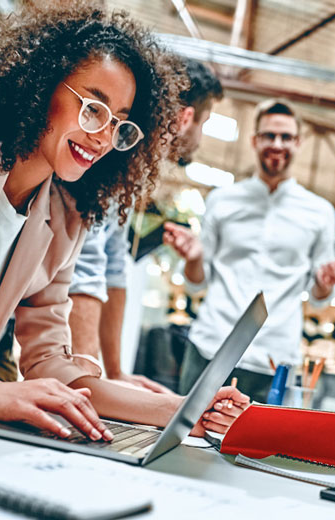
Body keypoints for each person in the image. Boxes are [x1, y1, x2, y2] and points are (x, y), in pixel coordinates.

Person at [0, 1, 248, 440]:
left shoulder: (64, 218)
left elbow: (52, 362)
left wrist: (184, 409)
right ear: (41, 84)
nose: (103, 137)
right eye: (93, 108)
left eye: (120, 124)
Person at [164, 98, 335, 402]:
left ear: (299, 143)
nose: (277, 144)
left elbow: (320, 299)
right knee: (187, 441)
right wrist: (195, 258)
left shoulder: (320, 212)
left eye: (286, 137)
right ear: (254, 140)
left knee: (258, 449)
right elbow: (197, 281)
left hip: (274, 358)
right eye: (269, 135)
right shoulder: (222, 200)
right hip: (211, 347)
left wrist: (324, 282)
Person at [67, 59, 223, 391]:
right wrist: (91, 383)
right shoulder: (113, 157)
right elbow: (87, 265)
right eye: (205, 122)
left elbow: (113, 266)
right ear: (185, 118)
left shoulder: (135, 172)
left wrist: (114, 372)